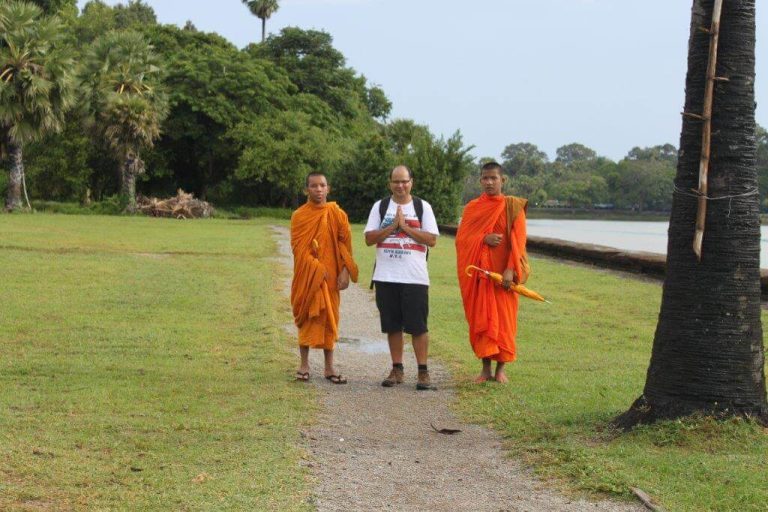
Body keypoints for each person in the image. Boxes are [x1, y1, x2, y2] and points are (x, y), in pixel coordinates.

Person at [364, 165, 439, 390]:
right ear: (390, 184)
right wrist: (392, 227)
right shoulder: (380, 207)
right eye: (396, 182)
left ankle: (423, 372)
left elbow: (432, 240)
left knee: (418, 326)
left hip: (414, 278)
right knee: (392, 325)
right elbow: (369, 239)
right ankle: (397, 369)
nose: (400, 185)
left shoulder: (422, 207)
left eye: (404, 181)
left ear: (411, 182)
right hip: (386, 276)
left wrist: (405, 227)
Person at [455, 161, 531, 384]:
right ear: (480, 180)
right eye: (485, 178)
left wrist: (510, 269)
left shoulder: (513, 207)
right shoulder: (472, 208)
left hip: (504, 276)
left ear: (502, 180)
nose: (489, 182)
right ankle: (485, 369)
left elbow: (519, 242)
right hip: (481, 275)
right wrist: (483, 239)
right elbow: (462, 240)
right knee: (482, 321)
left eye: (493, 178)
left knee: (504, 322)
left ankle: (500, 370)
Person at [291, 172, 358, 384]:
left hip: (330, 277)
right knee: (307, 315)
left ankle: (329, 367)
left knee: (330, 317)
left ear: (328, 189)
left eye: (322, 185)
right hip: (308, 276)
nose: (318, 189)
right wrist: (316, 268)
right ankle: (304, 363)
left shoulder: (337, 214)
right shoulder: (299, 216)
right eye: (313, 186)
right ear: (306, 190)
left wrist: (345, 271)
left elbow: (345, 246)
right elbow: (299, 250)